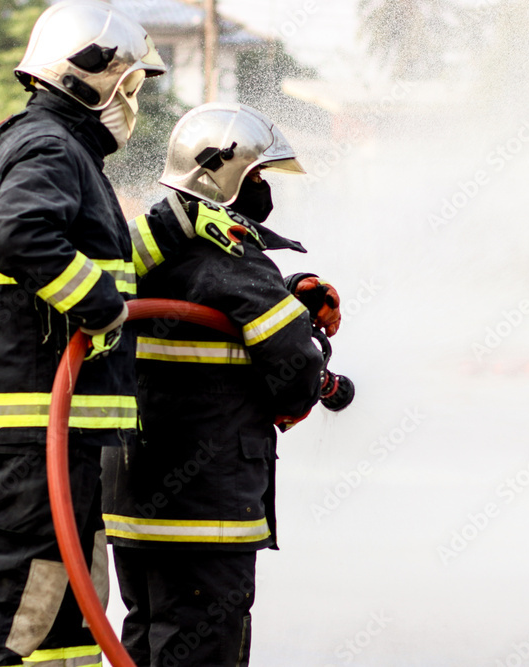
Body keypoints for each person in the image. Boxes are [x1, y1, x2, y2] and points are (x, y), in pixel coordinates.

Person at [0, 3, 249, 666]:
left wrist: (174, 224)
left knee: (61, 596)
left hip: (60, 426)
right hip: (35, 421)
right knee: (15, 593)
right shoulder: (51, 145)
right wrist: (98, 306)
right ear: (89, 75)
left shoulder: (60, 150)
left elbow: (103, 254)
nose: (132, 102)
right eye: (130, 85)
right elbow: (21, 234)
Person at [102, 103, 342, 666]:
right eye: (257, 176)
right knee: (204, 651)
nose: (264, 190)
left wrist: (287, 288)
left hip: (136, 505)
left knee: (148, 638)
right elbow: (295, 369)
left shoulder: (141, 251)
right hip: (205, 508)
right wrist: (303, 379)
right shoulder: (233, 259)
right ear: (225, 177)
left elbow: (204, 302)